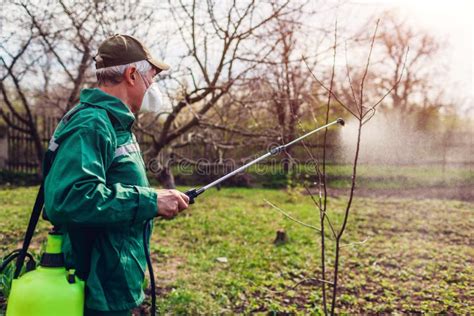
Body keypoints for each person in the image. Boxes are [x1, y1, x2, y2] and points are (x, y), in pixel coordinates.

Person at [43, 34, 189, 315]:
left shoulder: (114, 124)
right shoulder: (92, 124)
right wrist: (151, 201)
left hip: (112, 283)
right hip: (92, 288)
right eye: (153, 77)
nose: (153, 87)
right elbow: (69, 199)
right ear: (132, 74)